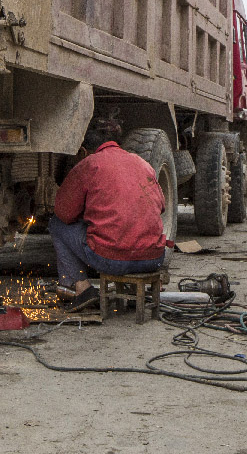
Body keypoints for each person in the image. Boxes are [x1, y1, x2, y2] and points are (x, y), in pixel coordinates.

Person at [49, 118, 168, 311]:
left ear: (85, 151)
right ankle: (130, 288)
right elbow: (161, 206)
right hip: (153, 258)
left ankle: (82, 289)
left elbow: (64, 213)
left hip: (110, 260)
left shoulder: (89, 164)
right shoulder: (142, 163)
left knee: (56, 224)